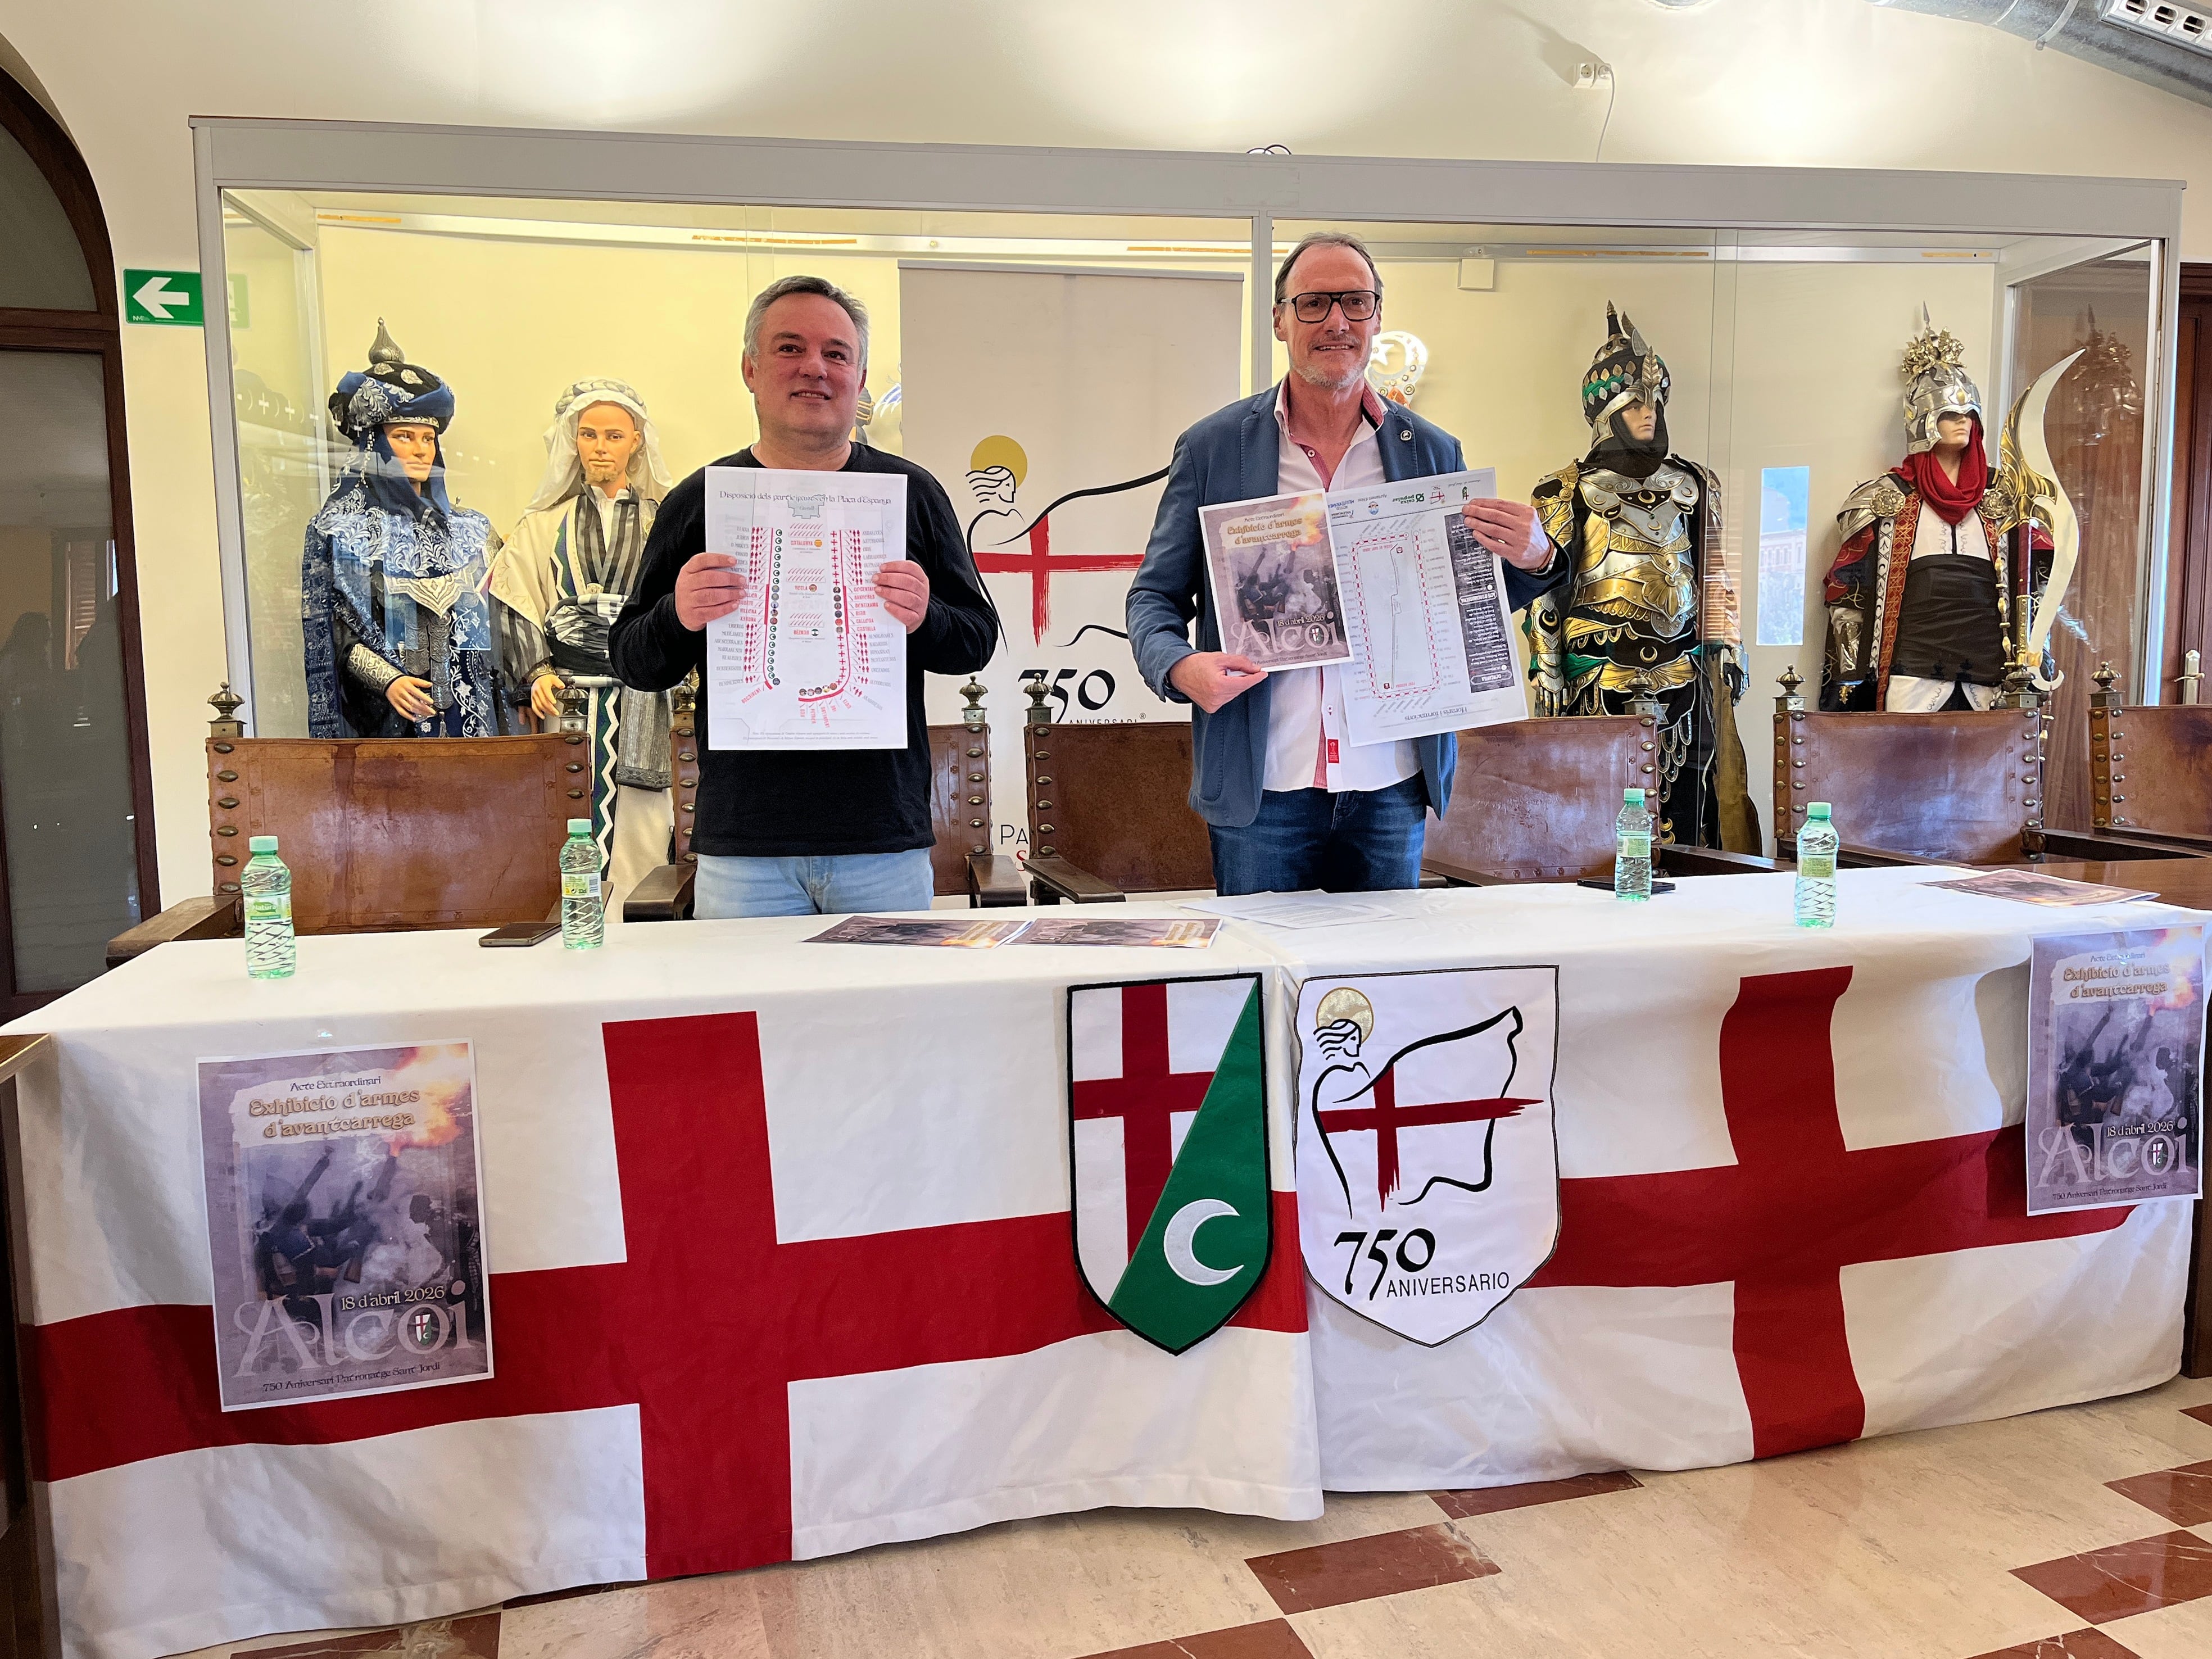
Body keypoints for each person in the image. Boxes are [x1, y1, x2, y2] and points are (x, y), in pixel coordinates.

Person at [1126, 231, 1557, 895]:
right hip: (1263, 786)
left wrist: (1537, 556)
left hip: (1389, 783)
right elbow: (1152, 598)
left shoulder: (1433, 452)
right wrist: (1181, 667)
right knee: (1267, 987)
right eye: (1314, 304)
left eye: (1355, 303)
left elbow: (1462, 598)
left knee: (1384, 989)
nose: (1336, 322)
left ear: (1378, 317)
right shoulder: (1215, 448)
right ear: (1279, 320)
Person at [608, 275, 997, 918]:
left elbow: (975, 641)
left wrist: (926, 615)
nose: (815, 368)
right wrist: (677, 615)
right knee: (752, 1019)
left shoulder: (912, 493)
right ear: (750, 368)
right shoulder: (701, 501)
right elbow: (631, 661)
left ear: (861, 376)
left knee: (889, 1021)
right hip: (744, 849)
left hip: (882, 842)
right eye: (790, 348)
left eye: (836, 354)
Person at [1522, 304, 1757, 851]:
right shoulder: (1563, 489)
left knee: (1692, 807)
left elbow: (1715, 574)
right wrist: (1551, 670)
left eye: (1655, 402)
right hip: (1597, 670)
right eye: (1635, 404)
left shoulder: (1698, 484)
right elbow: (1544, 589)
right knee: (1593, 813)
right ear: (1607, 413)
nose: (1648, 414)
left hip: (1684, 668)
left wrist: (1731, 652)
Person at [491, 379, 678, 911]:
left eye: (614, 435)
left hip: (646, 694)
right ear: (572, 441)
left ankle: (641, 927)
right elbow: (516, 599)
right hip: (569, 697)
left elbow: (682, 605)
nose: (601, 446)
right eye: (590, 434)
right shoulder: (542, 526)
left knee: (646, 818)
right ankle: (576, 926)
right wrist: (536, 672)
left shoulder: (665, 521)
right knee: (568, 812)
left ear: (637, 441)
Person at [1820, 310, 2052, 712]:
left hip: (1991, 670)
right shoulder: (1884, 500)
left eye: (1968, 413)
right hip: (1913, 668)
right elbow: (1850, 601)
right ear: (1924, 421)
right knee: (1908, 772)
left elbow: (2036, 589)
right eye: (1949, 414)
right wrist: (1849, 679)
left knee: (1991, 772)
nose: (1962, 422)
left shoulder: (2009, 496)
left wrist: (2036, 654)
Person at [302, 321, 500, 738]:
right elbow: (334, 629)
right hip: (387, 719)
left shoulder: (472, 531)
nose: (420, 448)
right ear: (375, 444)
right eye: (404, 436)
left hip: (470, 716)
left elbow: (497, 621)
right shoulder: (341, 531)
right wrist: (386, 679)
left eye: (428, 438)